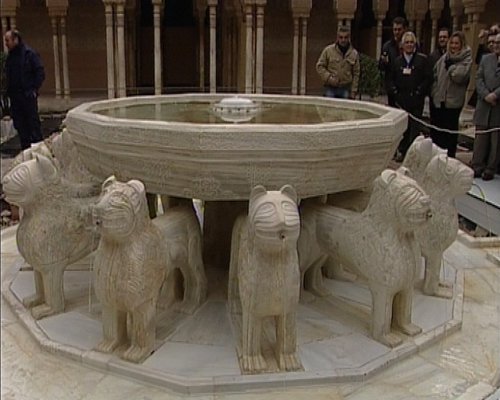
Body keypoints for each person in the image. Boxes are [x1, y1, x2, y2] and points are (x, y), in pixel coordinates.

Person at [387, 31, 432, 161]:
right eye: (407, 42)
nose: (409, 44)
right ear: (402, 45)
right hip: (402, 101)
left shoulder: (422, 60)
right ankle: (402, 151)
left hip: (416, 100)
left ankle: (413, 154)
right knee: (403, 129)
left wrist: (419, 91)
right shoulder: (397, 62)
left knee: (415, 129)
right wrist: (395, 93)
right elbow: (390, 79)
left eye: (412, 42)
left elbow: (427, 78)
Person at [430, 31, 472, 158]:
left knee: (450, 133)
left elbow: (459, 76)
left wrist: (451, 67)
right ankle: (437, 157)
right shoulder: (444, 58)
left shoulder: (466, 59)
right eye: (452, 43)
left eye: (456, 43)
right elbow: (435, 75)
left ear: (461, 44)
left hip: (453, 103)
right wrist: (434, 92)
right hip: (440, 100)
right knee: (438, 132)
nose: (453, 46)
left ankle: (449, 157)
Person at [4, 29, 45, 151]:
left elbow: (40, 72)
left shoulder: (29, 54)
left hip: (27, 96)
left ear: (15, 40)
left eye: (8, 40)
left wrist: (33, 89)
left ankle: (38, 152)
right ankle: (26, 152)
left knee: (33, 126)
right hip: (15, 98)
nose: (6, 43)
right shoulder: (11, 57)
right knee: (21, 127)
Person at [471, 33, 500, 181]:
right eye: (495, 42)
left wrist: (495, 95)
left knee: (496, 141)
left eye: (499, 43)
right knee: (480, 139)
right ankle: (477, 166)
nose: (496, 45)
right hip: (484, 105)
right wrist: (486, 95)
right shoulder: (486, 59)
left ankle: (490, 169)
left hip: (497, 107)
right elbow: (478, 78)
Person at [316, 25, 360, 99]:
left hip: (345, 88)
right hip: (330, 88)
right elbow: (319, 66)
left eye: (345, 37)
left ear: (349, 38)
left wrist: (353, 91)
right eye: (341, 37)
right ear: (337, 38)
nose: (343, 40)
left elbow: (356, 73)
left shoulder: (354, 53)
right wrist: (329, 78)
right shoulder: (328, 51)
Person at [379, 17, 408, 107]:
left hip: (407, 86)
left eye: (399, 29)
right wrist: (384, 62)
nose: (397, 32)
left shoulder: (410, 44)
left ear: (404, 29)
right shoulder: (387, 46)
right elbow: (381, 67)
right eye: (395, 29)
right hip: (392, 86)